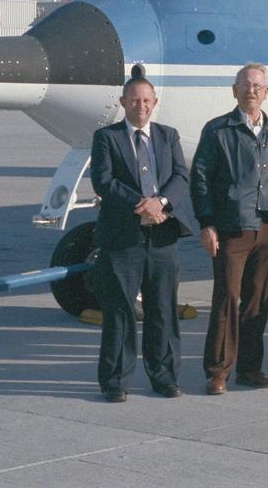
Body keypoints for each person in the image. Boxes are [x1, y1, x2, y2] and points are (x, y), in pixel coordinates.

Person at [192, 63, 268, 395]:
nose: (251, 91)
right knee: (227, 297)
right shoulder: (217, 131)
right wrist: (207, 223)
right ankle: (218, 371)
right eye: (245, 85)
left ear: (266, 92)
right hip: (233, 227)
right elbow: (200, 179)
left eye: (257, 86)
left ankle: (250, 368)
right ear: (234, 90)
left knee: (258, 300)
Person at [89, 76, 197, 402]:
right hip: (123, 238)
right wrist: (142, 205)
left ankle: (164, 376)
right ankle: (115, 382)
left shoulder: (168, 136)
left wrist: (160, 203)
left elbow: (180, 177)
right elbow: (104, 181)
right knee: (120, 312)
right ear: (123, 102)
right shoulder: (106, 137)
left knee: (163, 309)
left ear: (155, 103)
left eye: (147, 100)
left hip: (162, 236)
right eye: (135, 100)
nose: (141, 106)